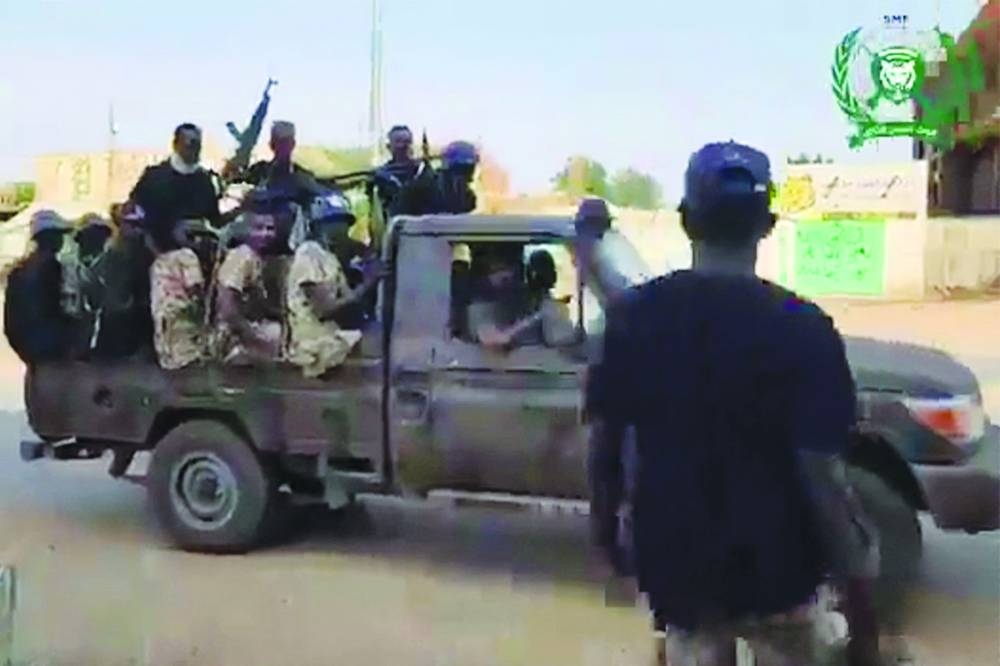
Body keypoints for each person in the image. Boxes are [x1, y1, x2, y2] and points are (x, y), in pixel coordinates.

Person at [586, 141, 876, 666]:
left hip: (679, 574)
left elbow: (604, 451)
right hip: (781, 576)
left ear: (685, 220)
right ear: (766, 225)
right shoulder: (804, 329)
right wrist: (861, 607)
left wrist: (609, 544)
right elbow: (823, 477)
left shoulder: (633, 319)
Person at [285, 193, 385, 378]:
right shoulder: (309, 254)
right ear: (318, 225)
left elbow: (349, 301)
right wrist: (367, 284)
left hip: (333, 332)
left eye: (343, 222)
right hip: (313, 340)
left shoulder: (329, 257)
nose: (340, 228)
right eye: (333, 222)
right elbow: (324, 309)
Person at [213, 199, 283, 364]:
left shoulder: (256, 259)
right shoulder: (242, 255)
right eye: (259, 228)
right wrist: (252, 335)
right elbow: (226, 306)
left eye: (270, 229)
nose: (265, 234)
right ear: (245, 231)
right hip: (234, 336)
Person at [128, 123, 222, 244]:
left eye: (197, 145)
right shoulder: (154, 177)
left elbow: (214, 220)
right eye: (189, 144)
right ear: (176, 145)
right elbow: (136, 211)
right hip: (154, 249)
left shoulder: (205, 182)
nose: (194, 150)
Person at [3, 210, 75, 364]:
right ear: (48, 238)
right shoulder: (50, 267)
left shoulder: (20, 269)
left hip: (26, 343)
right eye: (58, 235)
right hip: (47, 342)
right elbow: (58, 307)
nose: (61, 240)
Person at [87, 202, 156, 360]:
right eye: (131, 224)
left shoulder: (144, 253)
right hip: (117, 325)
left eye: (139, 225)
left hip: (137, 327)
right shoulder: (113, 254)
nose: (137, 230)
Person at [149, 217, 207, 370]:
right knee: (188, 363)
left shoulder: (160, 261)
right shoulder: (187, 256)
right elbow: (194, 287)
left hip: (163, 317)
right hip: (182, 317)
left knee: (171, 364)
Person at [390, 140, 479, 217]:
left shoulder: (467, 198)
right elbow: (398, 222)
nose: (463, 176)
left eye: (468, 169)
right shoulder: (416, 189)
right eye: (461, 169)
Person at [66, 213, 114, 357]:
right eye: (87, 236)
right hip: (73, 339)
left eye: (96, 236)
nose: (91, 240)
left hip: (105, 339)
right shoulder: (70, 265)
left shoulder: (111, 263)